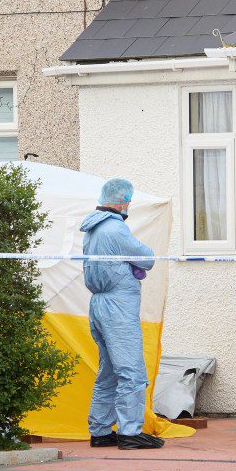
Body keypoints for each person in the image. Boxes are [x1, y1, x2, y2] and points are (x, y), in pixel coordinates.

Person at [80, 177, 164, 450]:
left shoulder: (92, 228)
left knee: (108, 372)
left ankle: (101, 430)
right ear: (124, 200)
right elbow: (147, 258)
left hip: (99, 305)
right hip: (118, 307)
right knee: (132, 371)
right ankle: (130, 432)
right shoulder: (115, 229)